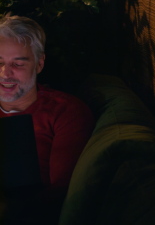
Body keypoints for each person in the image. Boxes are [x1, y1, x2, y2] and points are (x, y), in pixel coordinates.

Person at [0, 15, 95, 224]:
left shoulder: (65, 112)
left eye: (18, 63)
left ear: (39, 64)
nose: (5, 73)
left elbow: (63, 191)